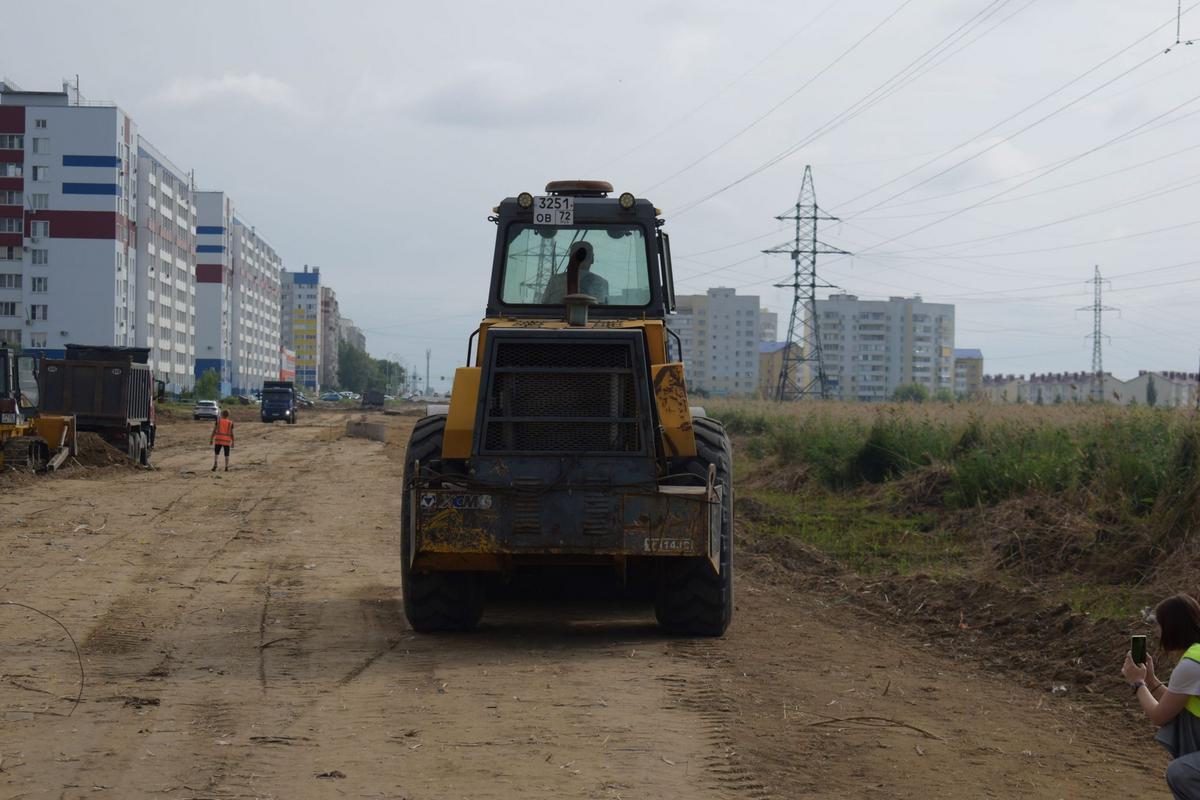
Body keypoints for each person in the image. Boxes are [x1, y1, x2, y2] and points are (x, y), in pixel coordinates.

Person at [1122, 592, 1200, 799]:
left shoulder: (1191, 665)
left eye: (1159, 625)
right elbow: (1174, 703)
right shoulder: (1195, 656)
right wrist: (1151, 680)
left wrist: (1137, 683)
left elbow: (1160, 716)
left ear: (1171, 627)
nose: (1157, 632)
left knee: (1182, 772)